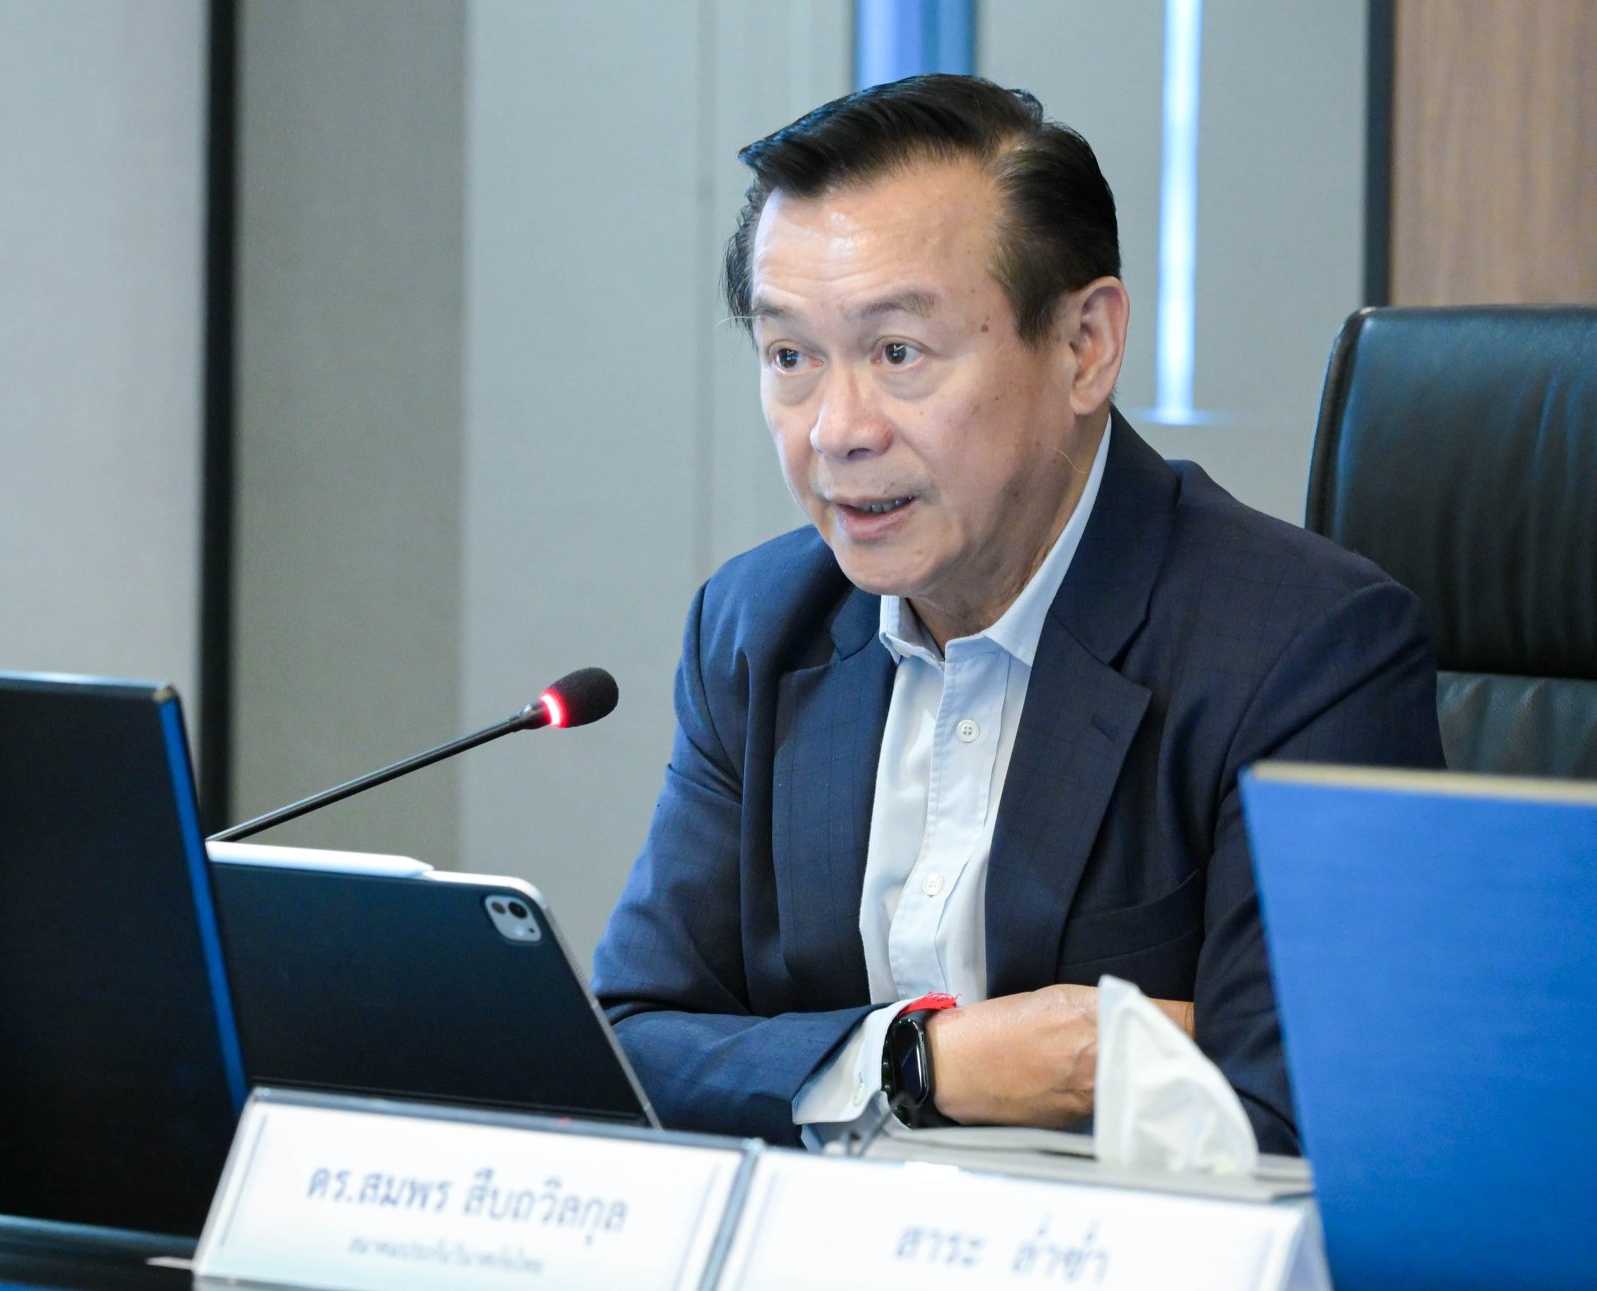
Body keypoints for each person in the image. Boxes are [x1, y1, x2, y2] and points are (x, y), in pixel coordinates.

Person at [590, 74, 1443, 1154]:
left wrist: (812, 1067)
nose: (836, 429)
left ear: (1085, 345)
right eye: (791, 357)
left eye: (898, 352)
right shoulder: (759, 626)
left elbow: (1301, 1118)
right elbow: (629, 1042)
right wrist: (923, 1061)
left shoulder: (1302, 651)